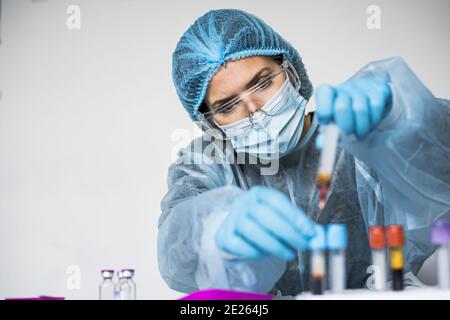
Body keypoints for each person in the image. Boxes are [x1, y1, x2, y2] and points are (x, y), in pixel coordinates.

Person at [157, 9, 450, 295]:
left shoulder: (357, 132)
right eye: (227, 106)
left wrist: (405, 124)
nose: (255, 112)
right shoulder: (207, 163)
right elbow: (176, 251)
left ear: (290, 70)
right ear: (208, 122)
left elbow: (441, 177)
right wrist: (212, 230)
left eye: (262, 82)